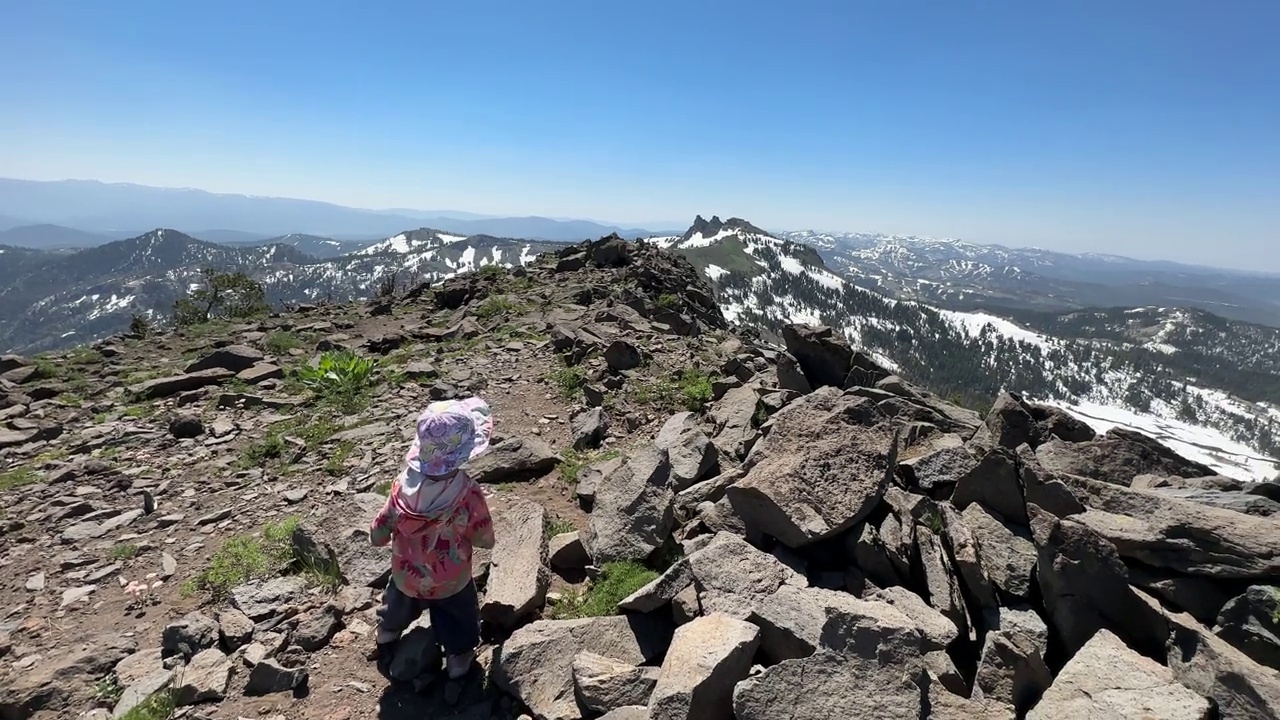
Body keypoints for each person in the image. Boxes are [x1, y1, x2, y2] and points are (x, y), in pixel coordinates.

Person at [369, 397, 495, 681]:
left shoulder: (401, 486)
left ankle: (387, 633)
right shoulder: (467, 492)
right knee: (457, 613)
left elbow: (381, 525)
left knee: (398, 599)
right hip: (450, 576)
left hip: (407, 571)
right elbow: (482, 535)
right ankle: (458, 660)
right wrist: (484, 540)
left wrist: (378, 537)